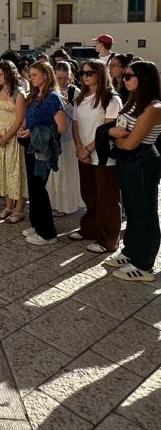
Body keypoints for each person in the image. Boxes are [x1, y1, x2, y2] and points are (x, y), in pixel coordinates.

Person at [107, 61, 161, 282]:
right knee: (131, 208)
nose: (124, 79)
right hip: (129, 161)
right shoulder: (134, 100)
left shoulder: (153, 107)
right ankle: (131, 251)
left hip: (142, 160)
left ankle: (144, 264)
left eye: (129, 76)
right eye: (125, 75)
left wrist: (115, 138)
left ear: (144, 78)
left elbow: (130, 143)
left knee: (145, 212)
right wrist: (113, 133)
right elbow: (120, 131)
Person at [69, 59, 122, 253]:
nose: (84, 76)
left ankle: (109, 240)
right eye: (82, 73)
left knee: (107, 199)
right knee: (89, 194)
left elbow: (109, 129)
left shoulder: (111, 98)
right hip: (84, 154)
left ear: (100, 73)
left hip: (104, 156)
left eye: (89, 73)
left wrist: (87, 149)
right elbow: (75, 125)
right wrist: (79, 148)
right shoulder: (81, 97)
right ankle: (90, 229)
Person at [17, 61, 67, 246]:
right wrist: (24, 129)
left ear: (46, 74)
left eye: (35, 75)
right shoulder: (36, 95)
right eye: (30, 75)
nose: (31, 78)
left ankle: (48, 233)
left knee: (38, 188)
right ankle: (37, 225)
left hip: (44, 149)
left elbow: (61, 127)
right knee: (33, 187)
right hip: (31, 147)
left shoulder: (53, 97)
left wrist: (33, 130)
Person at [0, 61, 28, 223]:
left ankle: (19, 210)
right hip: (0, 138)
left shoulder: (19, 93)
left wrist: (5, 138)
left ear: (9, 73)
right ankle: (8, 206)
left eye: (0, 74)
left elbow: (20, 120)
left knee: (16, 171)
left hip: (13, 138)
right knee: (4, 170)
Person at [46, 61, 85, 217]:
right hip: (52, 138)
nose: (62, 81)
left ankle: (66, 205)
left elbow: (78, 116)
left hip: (68, 139)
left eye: (65, 78)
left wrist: (66, 104)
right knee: (54, 173)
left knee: (66, 172)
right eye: (59, 78)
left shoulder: (75, 92)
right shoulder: (50, 90)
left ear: (71, 76)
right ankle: (53, 203)